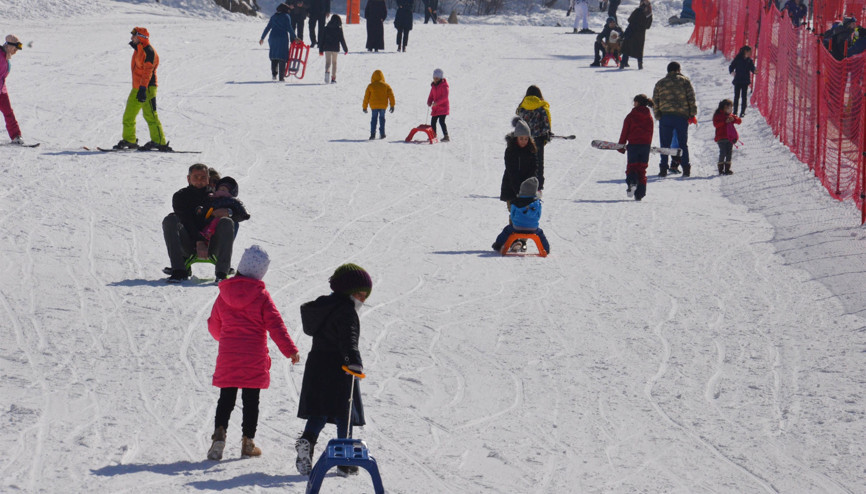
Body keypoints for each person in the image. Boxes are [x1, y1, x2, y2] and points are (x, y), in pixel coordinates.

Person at [205, 245, 301, 461]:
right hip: (253, 358)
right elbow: (277, 326)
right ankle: (247, 443)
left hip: (228, 355)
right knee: (251, 401)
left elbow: (214, 324)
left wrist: (226, 339)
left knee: (226, 398)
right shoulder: (262, 297)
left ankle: (218, 438)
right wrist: (290, 350)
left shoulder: (224, 294)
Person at [294, 263, 372, 477]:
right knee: (344, 413)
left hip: (318, 364)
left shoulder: (323, 306)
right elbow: (349, 340)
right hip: (340, 367)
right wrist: (353, 361)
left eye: (366, 296)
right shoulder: (347, 311)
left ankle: (307, 443)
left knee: (319, 410)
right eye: (360, 294)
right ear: (348, 292)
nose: (362, 300)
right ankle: (345, 459)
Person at [162, 163, 236, 282]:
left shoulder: (217, 195)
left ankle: (222, 273)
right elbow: (186, 221)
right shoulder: (180, 196)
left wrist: (229, 212)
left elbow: (242, 213)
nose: (199, 180)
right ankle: (179, 271)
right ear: (188, 179)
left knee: (227, 221)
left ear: (208, 179)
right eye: (196, 177)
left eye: (203, 177)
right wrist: (199, 241)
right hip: (189, 244)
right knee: (170, 220)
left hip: (213, 243)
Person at [114, 27, 170, 151]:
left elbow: (147, 72)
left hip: (147, 87)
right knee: (128, 115)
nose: (131, 38)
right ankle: (130, 140)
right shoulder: (138, 49)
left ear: (140, 37)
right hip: (137, 87)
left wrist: (143, 88)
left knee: (150, 115)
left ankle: (159, 141)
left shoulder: (149, 51)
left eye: (133, 36)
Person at [652, 61, 697, 177]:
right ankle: (686, 168)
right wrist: (692, 114)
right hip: (681, 116)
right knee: (683, 144)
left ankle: (663, 168)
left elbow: (655, 101)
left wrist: (657, 115)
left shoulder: (660, 83)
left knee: (665, 144)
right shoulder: (685, 81)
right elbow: (691, 98)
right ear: (678, 70)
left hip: (665, 116)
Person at [492, 177, 550, 253]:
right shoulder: (537, 203)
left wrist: (516, 222)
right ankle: (546, 249)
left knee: (507, 230)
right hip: (533, 228)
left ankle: (498, 245)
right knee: (540, 234)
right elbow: (538, 215)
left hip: (517, 227)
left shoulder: (516, 201)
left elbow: (512, 214)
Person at [617, 94, 654, 201]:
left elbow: (625, 132)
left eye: (634, 102)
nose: (633, 104)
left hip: (633, 146)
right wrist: (648, 145)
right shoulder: (649, 117)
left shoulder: (631, 116)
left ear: (637, 102)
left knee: (632, 167)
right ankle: (640, 194)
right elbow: (650, 132)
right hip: (645, 146)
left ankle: (632, 182)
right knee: (642, 170)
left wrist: (621, 146)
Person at [515, 86, 551, 193]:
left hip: (524, 139)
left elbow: (519, 122)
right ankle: (538, 186)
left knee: (525, 161)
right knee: (538, 162)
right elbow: (546, 123)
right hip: (538, 139)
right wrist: (546, 135)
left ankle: (523, 184)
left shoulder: (522, 107)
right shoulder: (542, 107)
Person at [500, 118, 538, 207]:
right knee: (515, 214)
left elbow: (534, 168)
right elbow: (512, 171)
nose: (524, 141)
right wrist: (518, 191)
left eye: (526, 139)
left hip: (527, 189)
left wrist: (530, 186)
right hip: (511, 187)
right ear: (516, 137)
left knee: (526, 215)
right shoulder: (510, 150)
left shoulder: (531, 150)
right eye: (521, 138)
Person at [201, 177, 251, 241]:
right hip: (210, 219)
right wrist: (201, 210)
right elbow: (207, 206)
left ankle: (217, 242)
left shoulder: (232, 201)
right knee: (210, 223)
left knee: (227, 222)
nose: (221, 191)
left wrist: (242, 214)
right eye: (220, 189)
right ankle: (206, 236)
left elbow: (240, 208)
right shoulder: (212, 198)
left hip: (222, 223)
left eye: (224, 190)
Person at [259, 3, 296, 82]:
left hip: (273, 37)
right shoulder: (286, 16)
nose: (289, 11)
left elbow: (268, 28)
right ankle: (281, 77)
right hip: (282, 37)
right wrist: (295, 37)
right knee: (282, 56)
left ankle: (274, 75)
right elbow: (289, 28)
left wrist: (262, 38)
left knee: (274, 55)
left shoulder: (273, 17)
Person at [0, 35, 24, 145]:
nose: (15, 52)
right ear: (9, 46)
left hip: (2, 90)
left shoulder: (6, 55)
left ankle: (16, 136)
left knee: (9, 112)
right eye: (15, 49)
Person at [619, 0, 652, 70]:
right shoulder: (648, 13)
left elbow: (630, 20)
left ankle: (623, 63)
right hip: (640, 34)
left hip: (632, 31)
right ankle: (639, 64)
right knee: (638, 49)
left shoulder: (640, 11)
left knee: (627, 48)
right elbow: (648, 26)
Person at [363, 70, 395, 140]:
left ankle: (372, 134)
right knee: (382, 119)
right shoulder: (386, 86)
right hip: (383, 106)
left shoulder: (370, 86)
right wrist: (392, 105)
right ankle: (382, 133)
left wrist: (364, 107)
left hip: (374, 106)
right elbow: (391, 95)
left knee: (374, 119)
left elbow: (366, 97)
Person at [712, 99, 742, 175]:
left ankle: (727, 169)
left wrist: (734, 119)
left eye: (731, 108)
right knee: (723, 152)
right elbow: (716, 124)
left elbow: (739, 121)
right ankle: (720, 169)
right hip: (721, 137)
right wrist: (724, 122)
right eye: (728, 108)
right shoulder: (718, 115)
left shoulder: (730, 115)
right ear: (724, 107)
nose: (730, 110)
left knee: (729, 153)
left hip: (730, 138)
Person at [319, 14, 348, 84]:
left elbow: (322, 39)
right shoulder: (339, 29)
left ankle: (327, 71)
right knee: (334, 63)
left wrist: (321, 50)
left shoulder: (326, 28)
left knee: (328, 62)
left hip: (327, 48)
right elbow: (342, 39)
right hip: (335, 48)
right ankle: (333, 78)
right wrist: (345, 49)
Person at [728, 45, 755, 117]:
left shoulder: (749, 61)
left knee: (744, 96)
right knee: (736, 96)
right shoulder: (738, 59)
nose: (751, 53)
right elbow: (731, 66)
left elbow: (752, 68)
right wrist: (732, 72)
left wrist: (755, 70)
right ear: (745, 52)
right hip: (738, 80)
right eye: (750, 52)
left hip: (745, 81)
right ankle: (735, 112)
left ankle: (742, 111)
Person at [427, 68, 450, 142]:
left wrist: (437, 103)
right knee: (433, 121)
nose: (435, 79)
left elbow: (445, 97)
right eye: (434, 78)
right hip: (436, 108)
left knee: (441, 121)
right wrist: (429, 101)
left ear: (440, 78)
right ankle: (433, 135)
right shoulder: (433, 86)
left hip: (443, 108)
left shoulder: (444, 86)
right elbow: (431, 95)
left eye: (437, 78)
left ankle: (446, 136)